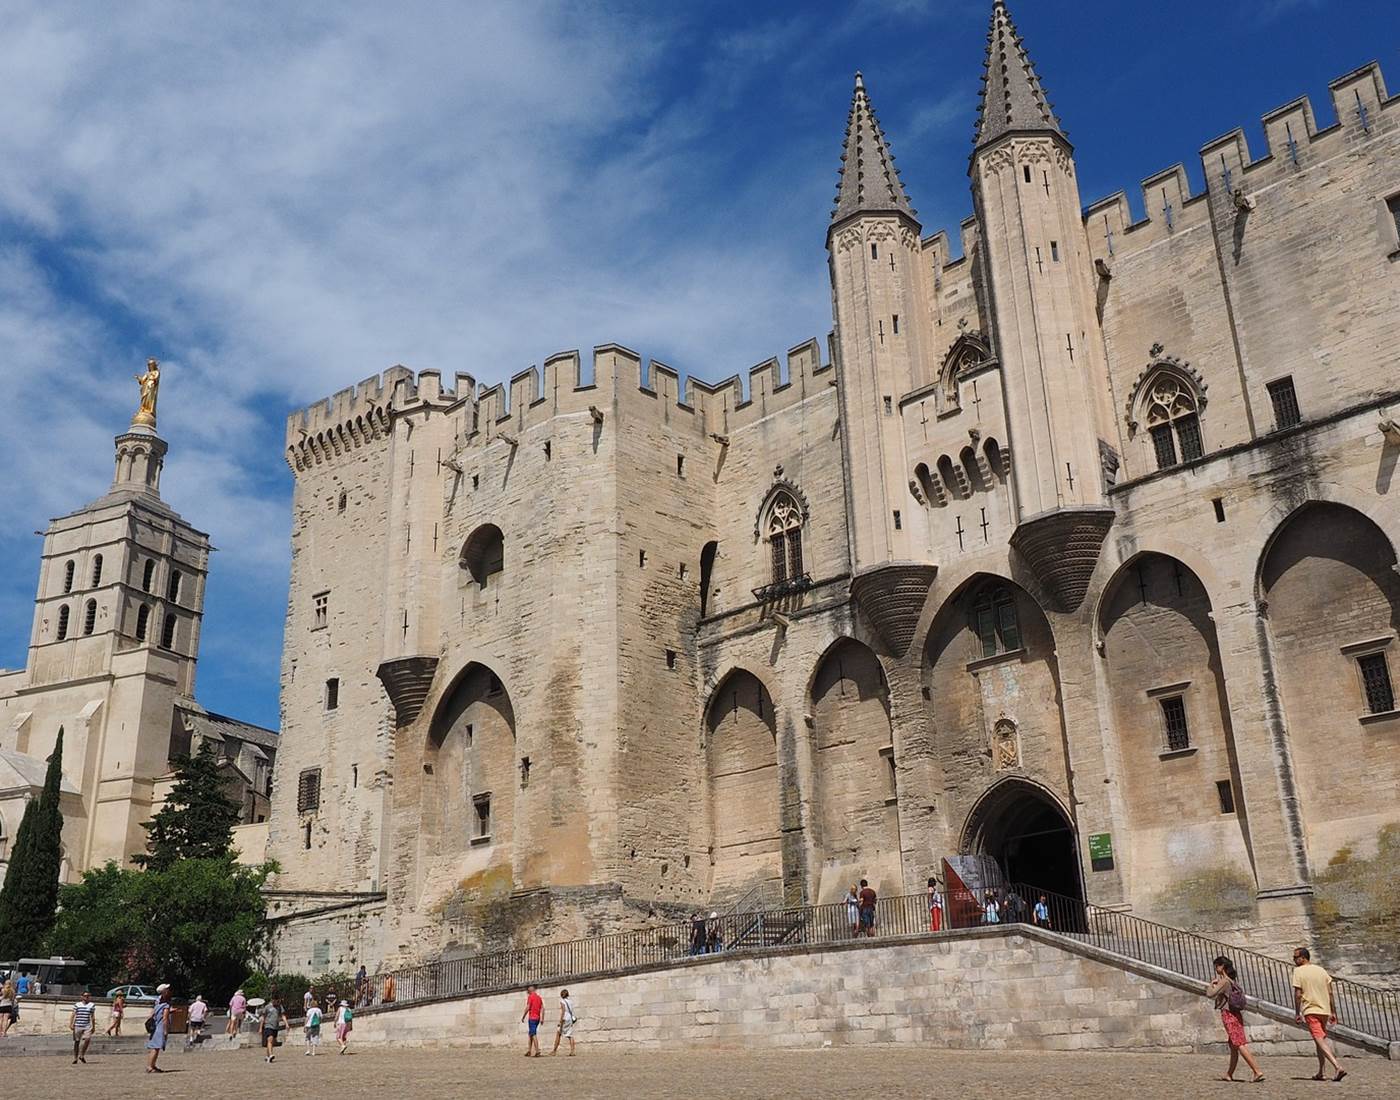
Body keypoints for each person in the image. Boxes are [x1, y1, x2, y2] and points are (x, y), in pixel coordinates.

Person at [1205, 956, 1264, 1083]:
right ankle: (1229, 1074)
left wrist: (1211, 984)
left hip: (1229, 1014)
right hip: (1236, 1014)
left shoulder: (1224, 981)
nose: (1216, 968)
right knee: (1233, 1045)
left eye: (1217, 966)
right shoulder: (1232, 981)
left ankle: (1256, 1071)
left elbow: (1210, 994)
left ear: (1222, 966)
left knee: (1239, 1043)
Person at [1291, 947, 1345, 1082]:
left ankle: (1337, 1066)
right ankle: (1321, 1072)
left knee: (1319, 1039)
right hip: (1324, 1009)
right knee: (1319, 1041)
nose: (1294, 960)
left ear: (1303, 957)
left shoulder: (1298, 971)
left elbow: (1298, 994)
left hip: (1311, 1009)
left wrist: (1297, 1012)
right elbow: (1330, 992)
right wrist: (1333, 1011)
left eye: (1296, 957)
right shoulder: (1321, 970)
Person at [145, 984, 171, 1073]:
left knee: (154, 1047)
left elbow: (152, 1013)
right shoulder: (166, 1004)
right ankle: (150, 1066)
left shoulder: (157, 1001)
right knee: (156, 1048)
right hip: (160, 1027)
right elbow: (165, 1018)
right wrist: (166, 1030)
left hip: (155, 1026)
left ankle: (152, 1065)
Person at [70, 990, 96, 1064]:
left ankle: (82, 1055)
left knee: (87, 1039)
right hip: (78, 1025)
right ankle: (75, 1058)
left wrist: (93, 1026)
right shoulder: (77, 1005)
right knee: (77, 1042)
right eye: (85, 996)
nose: (86, 997)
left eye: (88, 996)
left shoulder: (92, 1005)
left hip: (87, 1025)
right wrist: (71, 1024)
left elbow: (92, 1016)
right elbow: (73, 1014)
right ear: (82, 997)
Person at [551, 988, 578, 1056]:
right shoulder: (570, 1001)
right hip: (570, 1019)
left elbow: (563, 1011)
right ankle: (572, 1051)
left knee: (558, 1034)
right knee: (570, 1035)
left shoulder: (562, 1001)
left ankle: (554, 1051)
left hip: (565, 1018)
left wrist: (560, 1020)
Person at [521, 983, 544, 1057]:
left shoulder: (531, 997)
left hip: (532, 1018)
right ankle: (529, 1050)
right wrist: (542, 1018)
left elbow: (528, 1007)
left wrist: (523, 1016)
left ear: (530, 990)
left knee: (533, 1034)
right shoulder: (539, 998)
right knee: (531, 1034)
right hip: (537, 1018)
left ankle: (537, 1050)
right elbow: (542, 1008)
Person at [261, 997, 284, 1063]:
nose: (276, 1002)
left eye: (277, 1000)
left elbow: (283, 1015)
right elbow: (263, 1017)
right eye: (274, 1000)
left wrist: (286, 1024)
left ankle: (268, 1056)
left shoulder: (279, 1007)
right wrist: (260, 1027)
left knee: (271, 1042)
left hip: (275, 1026)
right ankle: (271, 1055)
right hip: (268, 1025)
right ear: (272, 1000)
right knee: (270, 1039)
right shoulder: (267, 1007)